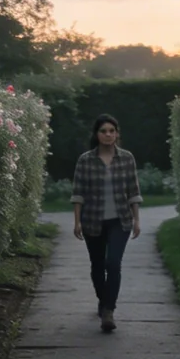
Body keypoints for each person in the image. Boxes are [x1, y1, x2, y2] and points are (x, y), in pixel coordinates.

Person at [71, 114, 144, 333]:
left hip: (120, 221)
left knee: (113, 263)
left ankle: (109, 310)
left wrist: (137, 220)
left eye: (112, 131)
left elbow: (133, 191)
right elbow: (78, 193)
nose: (108, 135)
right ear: (97, 134)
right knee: (97, 265)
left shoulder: (127, 158)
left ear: (117, 134)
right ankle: (103, 301)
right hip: (92, 220)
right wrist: (77, 222)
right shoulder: (86, 160)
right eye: (103, 131)